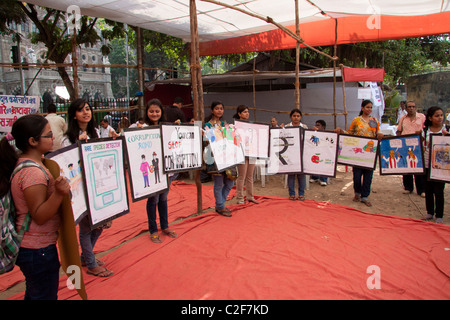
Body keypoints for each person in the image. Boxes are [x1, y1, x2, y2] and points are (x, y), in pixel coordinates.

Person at [1, 114, 70, 299]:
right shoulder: (33, 172)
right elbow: (39, 215)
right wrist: (59, 193)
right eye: (48, 134)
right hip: (37, 250)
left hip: (37, 248)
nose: (53, 137)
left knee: (36, 293)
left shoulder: (32, 164)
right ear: (32, 141)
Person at [61, 99, 113, 277]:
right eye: (81, 110)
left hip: (98, 186)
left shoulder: (96, 132)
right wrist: (79, 146)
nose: (86, 113)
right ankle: (91, 264)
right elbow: (67, 165)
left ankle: (86, 257)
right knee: (86, 228)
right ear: (73, 115)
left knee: (100, 224)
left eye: (88, 109)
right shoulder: (67, 139)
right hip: (81, 190)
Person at [336, 100, 384, 207]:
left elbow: (378, 132)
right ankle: (357, 193)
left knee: (368, 175)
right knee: (357, 175)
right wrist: (342, 131)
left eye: (371, 107)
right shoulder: (356, 120)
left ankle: (365, 196)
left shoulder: (374, 120)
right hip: (357, 153)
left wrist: (380, 135)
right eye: (367, 107)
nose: (369, 109)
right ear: (362, 108)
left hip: (370, 152)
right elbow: (350, 133)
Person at [143, 98, 178, 243]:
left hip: (166, 170)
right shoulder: (142, 127)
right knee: (153, 199)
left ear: (161, 112)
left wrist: (177, 128)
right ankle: (153, 230)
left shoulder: (167, 126)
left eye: (157, 111)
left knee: (163, 198)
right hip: (151, 171)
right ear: (147, 112)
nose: (154, 113)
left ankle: (165, 226)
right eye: (151, 111)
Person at [204, 101, 235, 216]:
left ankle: (219, 204)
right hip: (213, 156)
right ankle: (221, 206)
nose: (219, 110)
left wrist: (231, 130)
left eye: (221, 108)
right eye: (217, 108)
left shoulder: (224, 123)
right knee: (218, 183)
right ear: (212, 110)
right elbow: (208, 141)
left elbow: (230, 139)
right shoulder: (207, 125)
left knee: (230, 181)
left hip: (227, 156)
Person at [422, 106, 448, 224]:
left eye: (441, 115)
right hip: (427, 163)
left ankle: (439, 215)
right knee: (428, 189)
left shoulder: (446, 130)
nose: (440, 118)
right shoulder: (425, 131)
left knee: (439, 191)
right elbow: (420, 146)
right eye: (437, 116)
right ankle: (429, 212)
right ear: (430, 118)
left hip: (440, 166)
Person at [396, 100, 426, 197]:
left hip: (418, 146)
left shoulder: (422, 117)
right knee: (406, 166)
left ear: (416, 107)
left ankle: (421, 190)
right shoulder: (403, 118)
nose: (411, 108)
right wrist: (399, 143)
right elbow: (399, 131)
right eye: (409, 107)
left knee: (418, 167)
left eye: (413, 106)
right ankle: (408, 187)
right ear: (406, 108)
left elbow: (426, 131)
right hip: (405, 145)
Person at [233, 105, 259, 205]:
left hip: (251, 152)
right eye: (244, 112)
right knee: (241, 176)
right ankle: (239, 197)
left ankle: (250, 196)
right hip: (241, 153)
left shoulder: (252, 125)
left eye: (248, 112)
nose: (247, 113)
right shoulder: (235, 126)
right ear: (239, 113)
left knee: (250, 176)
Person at [285, 109, 307, 201]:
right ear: (291, 117)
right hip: (290, 154)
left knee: (301, 175)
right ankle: (291, 194)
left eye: (298, 116)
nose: (296, 118)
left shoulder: (305, 127)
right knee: (291, 175)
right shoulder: (286, 127)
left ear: (300, 117)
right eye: (294, 116)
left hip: (301, 155)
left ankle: (301, 194)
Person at [310, 120, 328, 186]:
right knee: (313, 160)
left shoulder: (327, 135)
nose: (316, 126)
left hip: (324, 153)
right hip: (315, 152)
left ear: (323, 127)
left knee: (324, 162)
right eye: (316, 125)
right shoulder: (314, 134)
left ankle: (323, 179)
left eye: (318, 125)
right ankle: (315, 177)